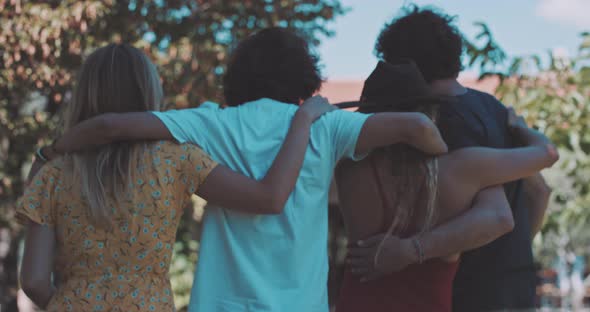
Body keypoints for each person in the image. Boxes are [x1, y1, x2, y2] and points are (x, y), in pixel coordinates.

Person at [37, 28, 448, 311]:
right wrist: (441, 151)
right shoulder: (326, 124)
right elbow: (417, 127)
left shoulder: (212, 122)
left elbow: (111, 126)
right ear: (306, 75)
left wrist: (54, 151)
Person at [17, 43, 337, 311]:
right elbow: (269, 197)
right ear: (148, 91)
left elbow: (32, 280)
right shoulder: (176, 160)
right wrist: (302, 120)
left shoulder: (55, 172)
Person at [346, 6, 553, 311]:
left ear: (404, 66)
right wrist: (514, 254)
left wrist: (410, 250)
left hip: (464, 288)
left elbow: (493, 215)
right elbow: (540, 191)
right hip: (518, 285)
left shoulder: (432, 121)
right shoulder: (494, 108)